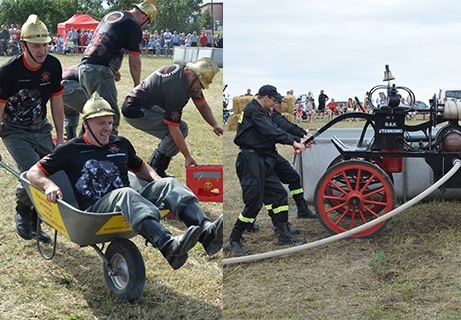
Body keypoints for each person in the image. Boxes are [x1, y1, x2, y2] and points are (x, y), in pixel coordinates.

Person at [25, 94, 224, 269]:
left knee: (168, 182)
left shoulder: (120, 144)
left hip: (128, 203)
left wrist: (156, 180)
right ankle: (168, 245)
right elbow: (33, 173)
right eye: (100, 123)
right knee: (125, 193)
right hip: (96, 210)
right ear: (86, 124)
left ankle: (206, 232)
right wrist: (49, 184)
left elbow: (140, 167)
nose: (107, 128)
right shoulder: (70, 149)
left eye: (110, 122)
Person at [0, 14, 64, 244]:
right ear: (23, 45)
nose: (42, 51)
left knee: (51, 171)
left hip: (40, 127)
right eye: (36, 45)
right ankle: (25, 213)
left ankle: (29, 213)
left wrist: (59, 137)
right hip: (14, 129)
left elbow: (57, 103)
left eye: (45, 45)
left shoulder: (53, 65)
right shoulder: (8, 70)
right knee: (33, 173)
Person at [226, 85, 306, 254]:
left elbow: (280, 127)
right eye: (274, 100)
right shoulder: (254, 111)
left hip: (263, 158)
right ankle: (234, 239)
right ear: (266, 97)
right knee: (254, 203)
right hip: (250, 160)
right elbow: (271, 131)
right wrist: (293, 142)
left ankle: (283, 233)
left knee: (278, 194)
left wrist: (299, 137)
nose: (276, 104)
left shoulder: (263, 111)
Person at [121, 57, 223, 177]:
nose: (200, 88)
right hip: (136, 111)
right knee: (181, 128)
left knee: (179, 129)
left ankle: (154, 168)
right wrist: (187, 156)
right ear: (192, 74)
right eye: (200, 84)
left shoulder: (186, 77)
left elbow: (201, 105)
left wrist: (214, 124)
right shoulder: (177, 89)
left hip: (137, 104)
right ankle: (155, 169)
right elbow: (173, 128)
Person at [79, 0, 158, 134]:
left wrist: (113, 69)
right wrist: (137, 85)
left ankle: (82, 148)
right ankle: (108, 151)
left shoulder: (112, 15)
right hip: (100, 71)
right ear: (145, 17)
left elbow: (107, 41)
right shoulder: (133, 25)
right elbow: (134, 61)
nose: (144, 27)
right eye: (147, 24)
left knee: (94, 115)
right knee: (109, 117)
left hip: (85, 67)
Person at [61, 65, 89, 139]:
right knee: (92, 114)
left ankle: (71, 140)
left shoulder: (77, 67)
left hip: (59, 89)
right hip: (71, 87)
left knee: (70, 115)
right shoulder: (93, 68)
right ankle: (81, 140)